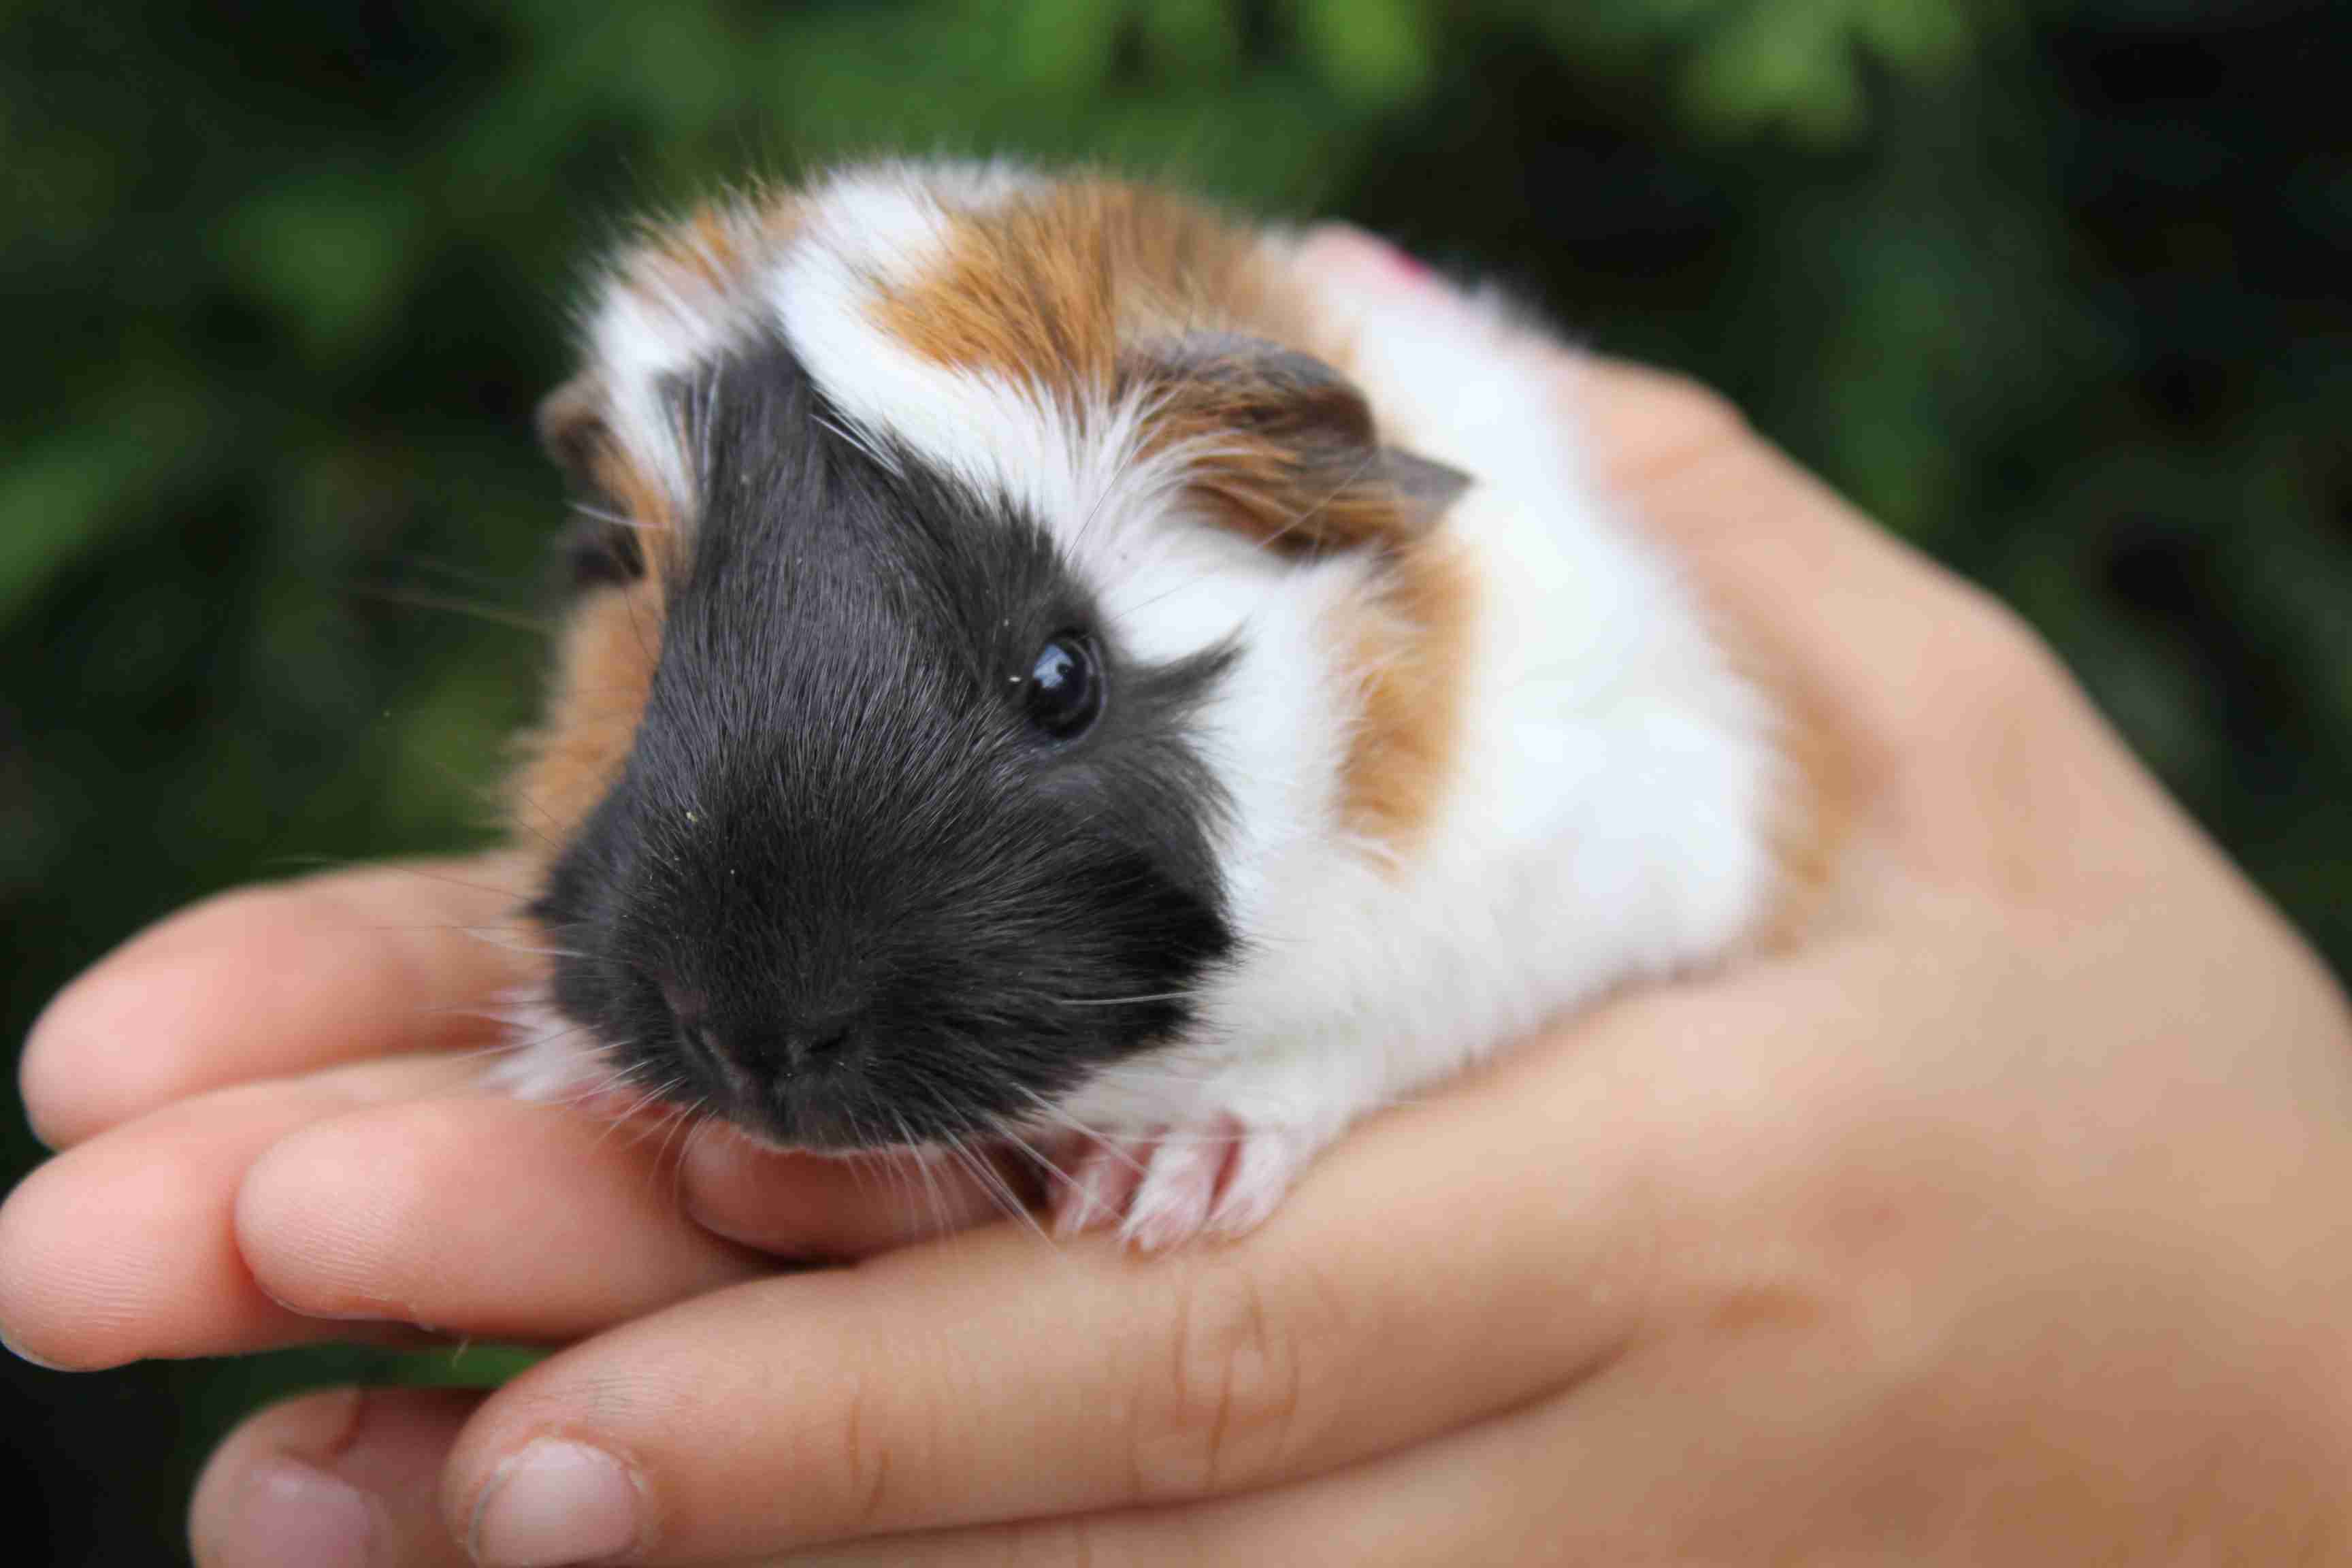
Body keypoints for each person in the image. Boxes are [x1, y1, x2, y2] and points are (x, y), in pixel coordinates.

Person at [7, 230, 2351, 1568]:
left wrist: (1322, 1065)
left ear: (1313, 518)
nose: (779, 1007)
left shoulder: (1546, 665)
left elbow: (1690, 848)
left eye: (1052, 688)